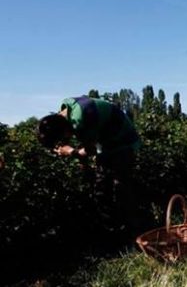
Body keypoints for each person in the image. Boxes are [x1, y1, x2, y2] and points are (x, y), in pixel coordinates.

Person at [36, 96, 142, 233]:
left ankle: (134, 230)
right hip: (106, 144)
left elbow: (89, 150)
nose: (65, 140)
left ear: (63, 130)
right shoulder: (65, 113)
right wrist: (84, 165)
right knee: (102, 187)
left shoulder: (82, 117)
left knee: (120, 185)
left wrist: (70, 151)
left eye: (62, 139)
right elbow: (85, 144)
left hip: (123, 141)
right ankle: (115, 230)